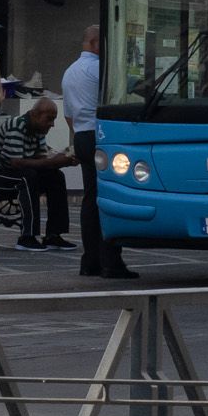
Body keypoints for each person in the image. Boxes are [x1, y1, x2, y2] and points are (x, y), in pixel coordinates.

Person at [64, 39, 132, 280]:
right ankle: (110, 260)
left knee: (89, 199)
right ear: (95, 43)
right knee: (108, 196)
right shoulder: (98, 69)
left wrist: (77, 138)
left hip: (82, 135)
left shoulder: (69, 71)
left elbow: (68, 115)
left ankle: (89, 260)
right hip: (101, 135)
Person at [0, 92, 74, 249]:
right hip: (1, 174)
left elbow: (41, 157)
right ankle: (28, 236)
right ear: (35, 115)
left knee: (56, 176)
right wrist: (53, 162)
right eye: (49, 119)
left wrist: (61, 160)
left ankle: (54, 234)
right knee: (28, 177)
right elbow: (16, 163)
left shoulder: (38, 130)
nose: (52, 124)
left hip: (21, 172)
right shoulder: (17, 126)